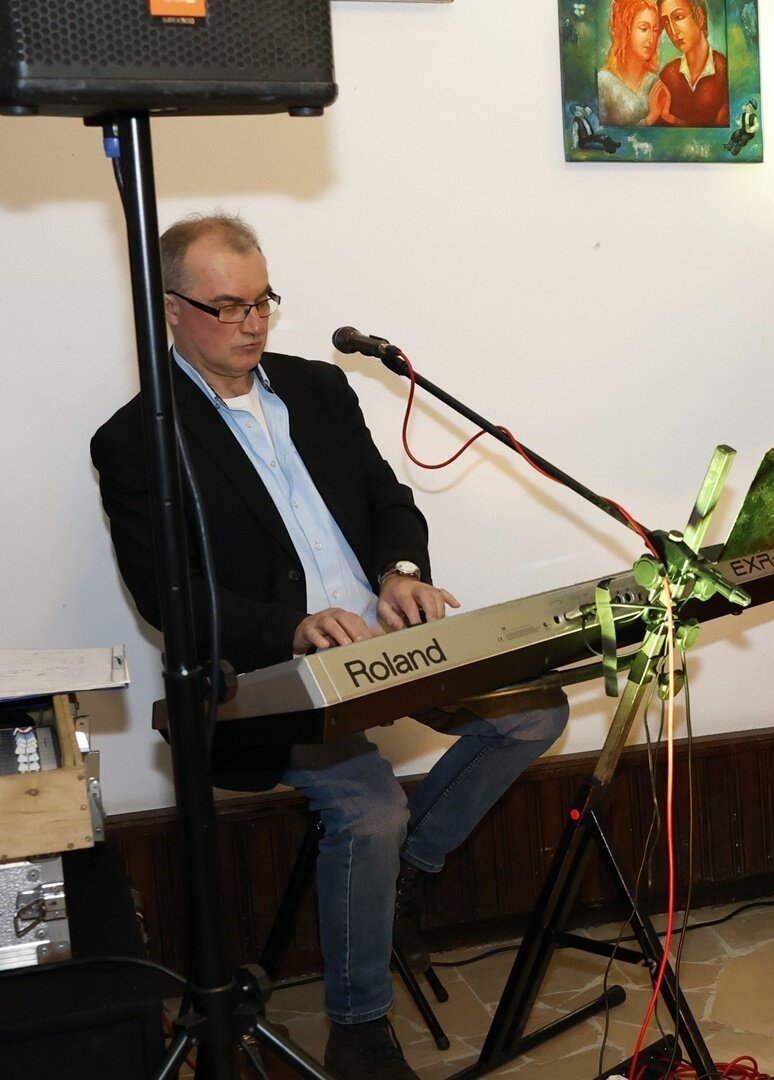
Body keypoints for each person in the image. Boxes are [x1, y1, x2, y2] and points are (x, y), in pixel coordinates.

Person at [90, 215, 569, 1079]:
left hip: (381, 641)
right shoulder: (138, 439)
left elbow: (390, 500)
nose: (252, 322)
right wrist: (291, 626)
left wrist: (401, 570)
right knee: (370, 807)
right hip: (270, 674)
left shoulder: (318, 388)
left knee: (534, 712)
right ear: (170, 308)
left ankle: (406, 873)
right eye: (228, 306)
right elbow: (168, 595)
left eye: (263, 301)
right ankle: (358, 1029)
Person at [598, 0, 674, 127]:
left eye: (656, 30)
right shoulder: (604, 81)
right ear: (625, 30)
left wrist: (665, 115)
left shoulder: (655, 83)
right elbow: (602, 133)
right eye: (644, 29)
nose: (651, 39)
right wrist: (650, 118)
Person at [655, 0, 729, 127]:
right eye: (666, 22)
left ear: (699, 17)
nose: (673, 31)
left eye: (678, 17)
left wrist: (673, 120)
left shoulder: (726, 71)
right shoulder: (667, 75)